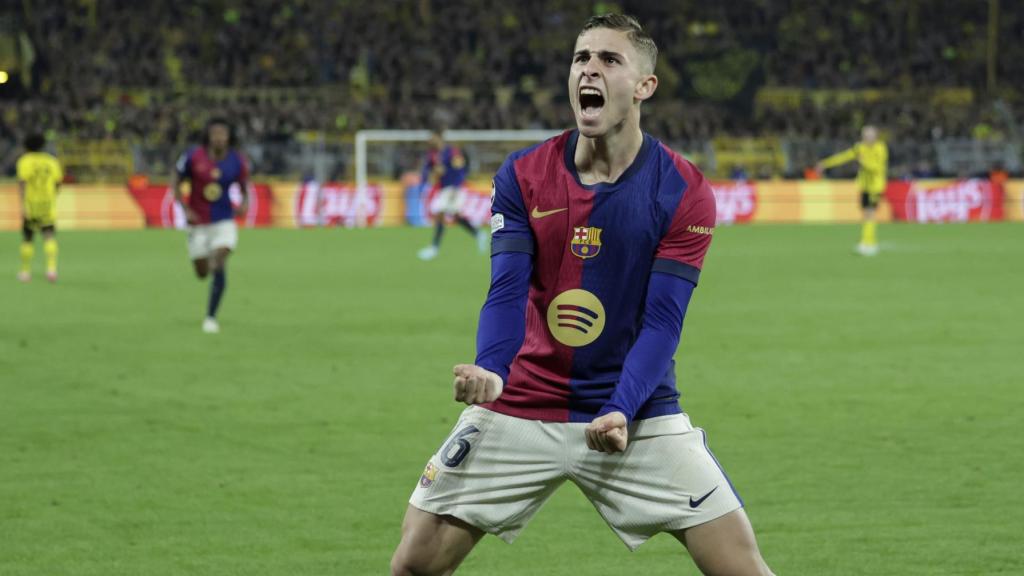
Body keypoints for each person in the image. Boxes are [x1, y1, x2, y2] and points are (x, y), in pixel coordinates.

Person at [391, 14, 774, 576]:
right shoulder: (523, 174)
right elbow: (506, 290)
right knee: (413, 563)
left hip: (636, 412)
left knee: (742, 568)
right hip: (521, 400)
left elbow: (663, 322)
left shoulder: (682, 190)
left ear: (645, 86)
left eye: (609, 60)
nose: (588, 69)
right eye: (580, 58)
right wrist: (493, 370)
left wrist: (620, 406)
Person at [170, 118, 249, 334]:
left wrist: (244, 203)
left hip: (224, 220)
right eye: (215, 134)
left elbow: (244, 186)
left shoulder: (236, 160)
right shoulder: (194, 156)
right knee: (202, 272)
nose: (219, 138)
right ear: (208, 135)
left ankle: (211, 317)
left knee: (221, 256)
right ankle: (210, 263)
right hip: (199, 223)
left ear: (229, 136)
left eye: (223, 134)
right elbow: (176, 180)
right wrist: (185, 209)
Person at [816, 125, 889, 256]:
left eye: (869, 135)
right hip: (864, 185)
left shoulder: (880, 148)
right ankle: (867, 242)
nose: (867, 137)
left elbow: (877, 168)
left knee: (870, 213)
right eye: (865, 135)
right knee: (866, 213)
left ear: (875, 136)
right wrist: (825, 163)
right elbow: (844, 157)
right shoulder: (860, 148)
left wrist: (863, 161)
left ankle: (869, 243)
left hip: (876, 186)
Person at [416, 128, 487, 261]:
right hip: (444, 188)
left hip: (454, 188)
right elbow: (427, 171)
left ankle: (434, 248)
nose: (430, 141)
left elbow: (460, 168)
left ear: (439, 138)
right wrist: (428, 179)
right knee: (454, 216)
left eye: (433, 138)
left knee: (440, 212)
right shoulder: (432, 154)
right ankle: (478, 234)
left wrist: (455, 184)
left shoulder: (452, 151)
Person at [16, 133, 63, 283]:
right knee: (49, 234)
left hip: (31, 204)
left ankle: (25, 272)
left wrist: (23, 202)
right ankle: (51, 270)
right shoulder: (52, 161)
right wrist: (52, 196)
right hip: (48, 204)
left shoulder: (25, 161)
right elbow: (58, 183)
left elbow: (23, 182)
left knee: (28, 237)